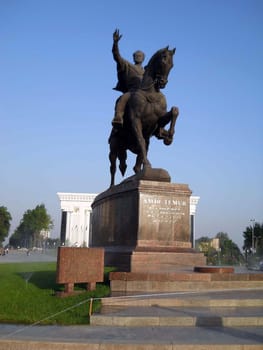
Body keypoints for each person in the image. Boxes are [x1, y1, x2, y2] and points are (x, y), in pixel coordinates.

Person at [111, 29, 145, 127]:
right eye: (136, 55)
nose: (138, 57)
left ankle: (159, 128)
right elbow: (117, 57)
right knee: (123, 98)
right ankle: (118, 116)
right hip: (132, 91)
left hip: (145, 93)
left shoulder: (146, 72)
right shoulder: (127, 65)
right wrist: (115, 43)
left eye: (140, 56)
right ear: (133, 57)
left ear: (143, 58)